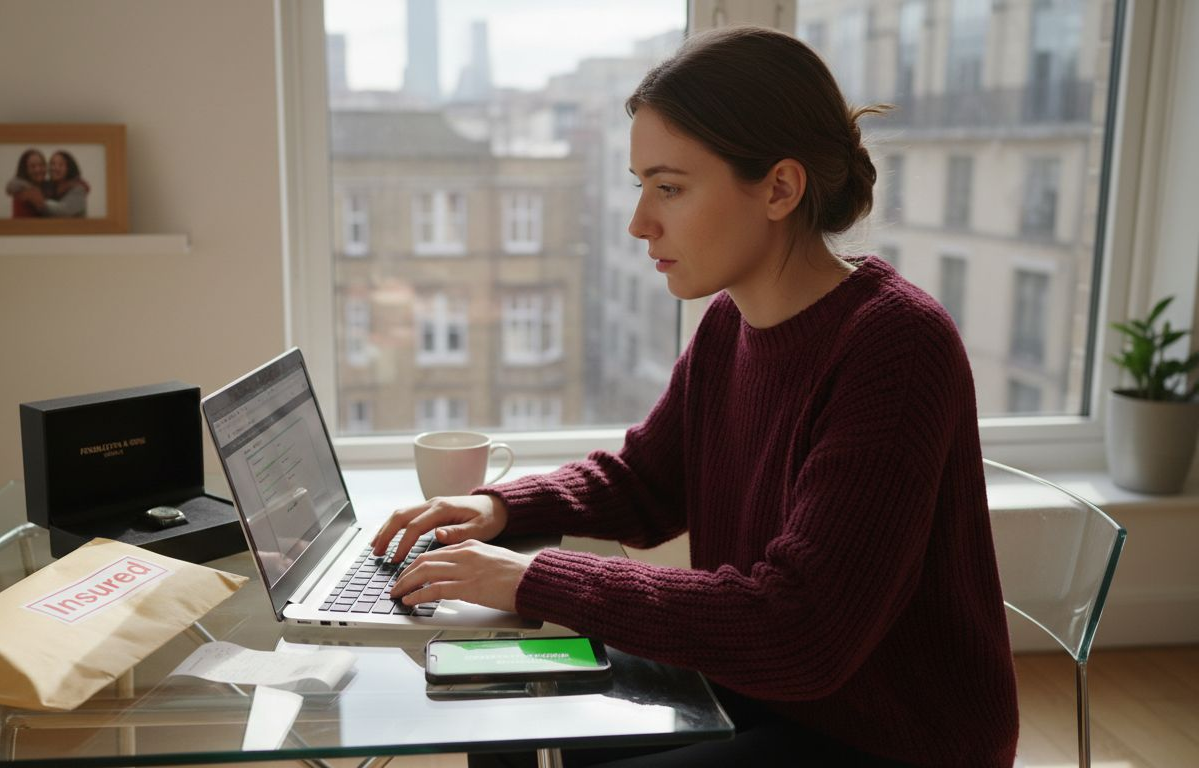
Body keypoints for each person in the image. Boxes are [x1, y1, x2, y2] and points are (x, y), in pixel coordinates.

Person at [372, 25, 1019, 768]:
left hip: (886, 735)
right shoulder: (730, 322)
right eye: (640, 185)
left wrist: (534, 577)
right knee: (516, 709)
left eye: (670, 187)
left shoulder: (896, 348)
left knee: (548, 723)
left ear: (779, 187)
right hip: (770, 691)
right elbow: (646, 482)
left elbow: (798, 630)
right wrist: (503, 507)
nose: (640, 222)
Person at [42, 150, 89, 218]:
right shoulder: (48, 187)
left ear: (69, 168)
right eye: (52, 164)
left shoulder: (78, 189)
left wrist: (40, 202)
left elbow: (64, 211)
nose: (55, 168)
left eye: (60, 165)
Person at [4, 148, 47, 218]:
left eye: (41, 165)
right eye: (33, 166)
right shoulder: (23, 190)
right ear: (25, 169)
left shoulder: (44, 185)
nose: (38, 169)